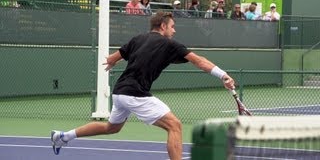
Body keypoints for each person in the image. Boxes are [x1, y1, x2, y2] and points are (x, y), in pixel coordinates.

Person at [50, 11, 235, 160]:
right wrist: (223, 75)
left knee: (111, 128)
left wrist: (114, 62)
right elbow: (199, 61)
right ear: (163, 26)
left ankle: (63, 136)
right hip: (135, 93)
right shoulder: (169, 44)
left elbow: (113, 58)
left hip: (120, 92)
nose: (174, 31)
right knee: (175, 126)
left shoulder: (137, 39)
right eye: (172, 27)